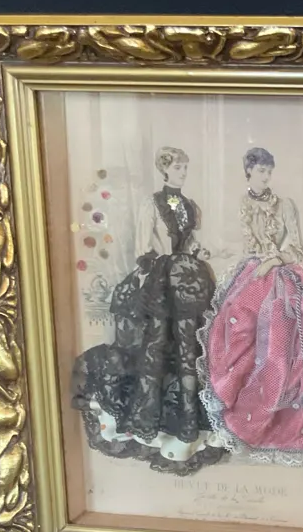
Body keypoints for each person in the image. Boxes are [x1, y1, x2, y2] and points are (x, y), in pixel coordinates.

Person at [197, 147, 303, 464]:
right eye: (260, 171)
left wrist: (273, 261)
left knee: (281, 333)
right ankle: (243, 414)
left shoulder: (285, 205)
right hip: (250, 275)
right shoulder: (243, 204)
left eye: (269, 171)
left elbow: (296, 248)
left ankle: (286, 416)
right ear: (248, 172)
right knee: (236, 327)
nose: (266, 176)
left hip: (282, 276)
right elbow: (243, 246)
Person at [71, 146, 225, 474]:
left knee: (192, 347)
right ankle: (153, 423)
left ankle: (192, 422)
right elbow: (144, 246)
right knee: (158, 347)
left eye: (185, 167)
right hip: (162, 279)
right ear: (165, 170)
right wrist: (151, 275)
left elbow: (188, 240)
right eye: (178, 168)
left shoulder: (188, 204)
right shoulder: (152, 204)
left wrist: (199, 251)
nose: (183, 173)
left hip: (190, 279)